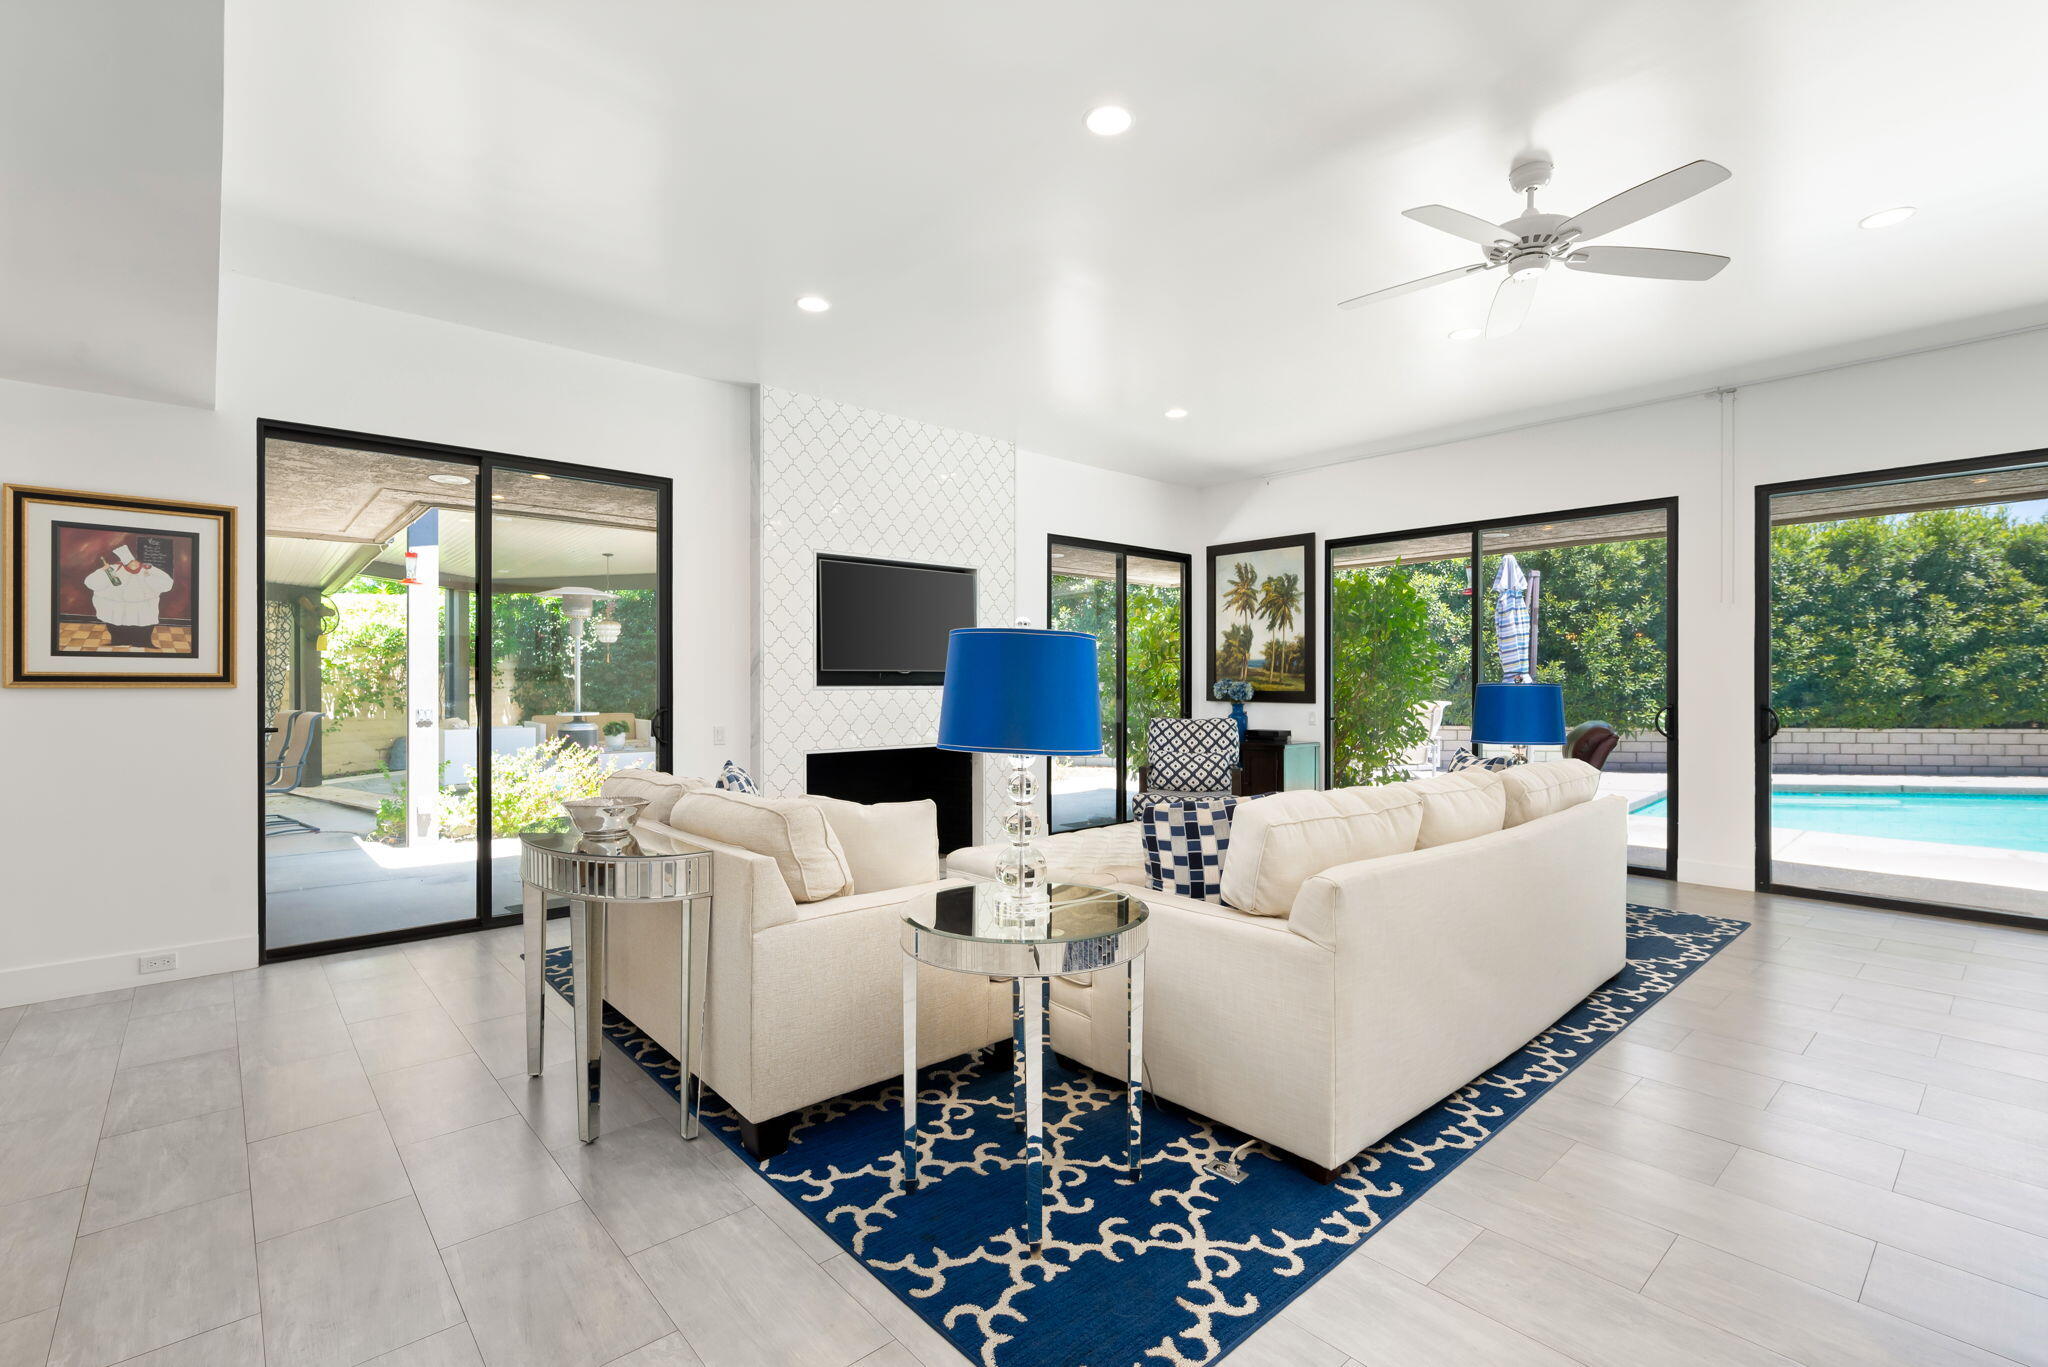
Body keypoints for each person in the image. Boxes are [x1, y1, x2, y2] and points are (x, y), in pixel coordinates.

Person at [82, 545, 174, 649]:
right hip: (117, 605)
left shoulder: (148, 569)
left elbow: (167, 585)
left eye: (134, 562)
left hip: (144, 606)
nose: (133, 565)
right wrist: (103, 571)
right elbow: (91, 583)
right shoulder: (113, 569)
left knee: (143, 624)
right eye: (130, 563)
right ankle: (118, 641)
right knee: (117, 623)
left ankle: (143, 643)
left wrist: (149, 576)